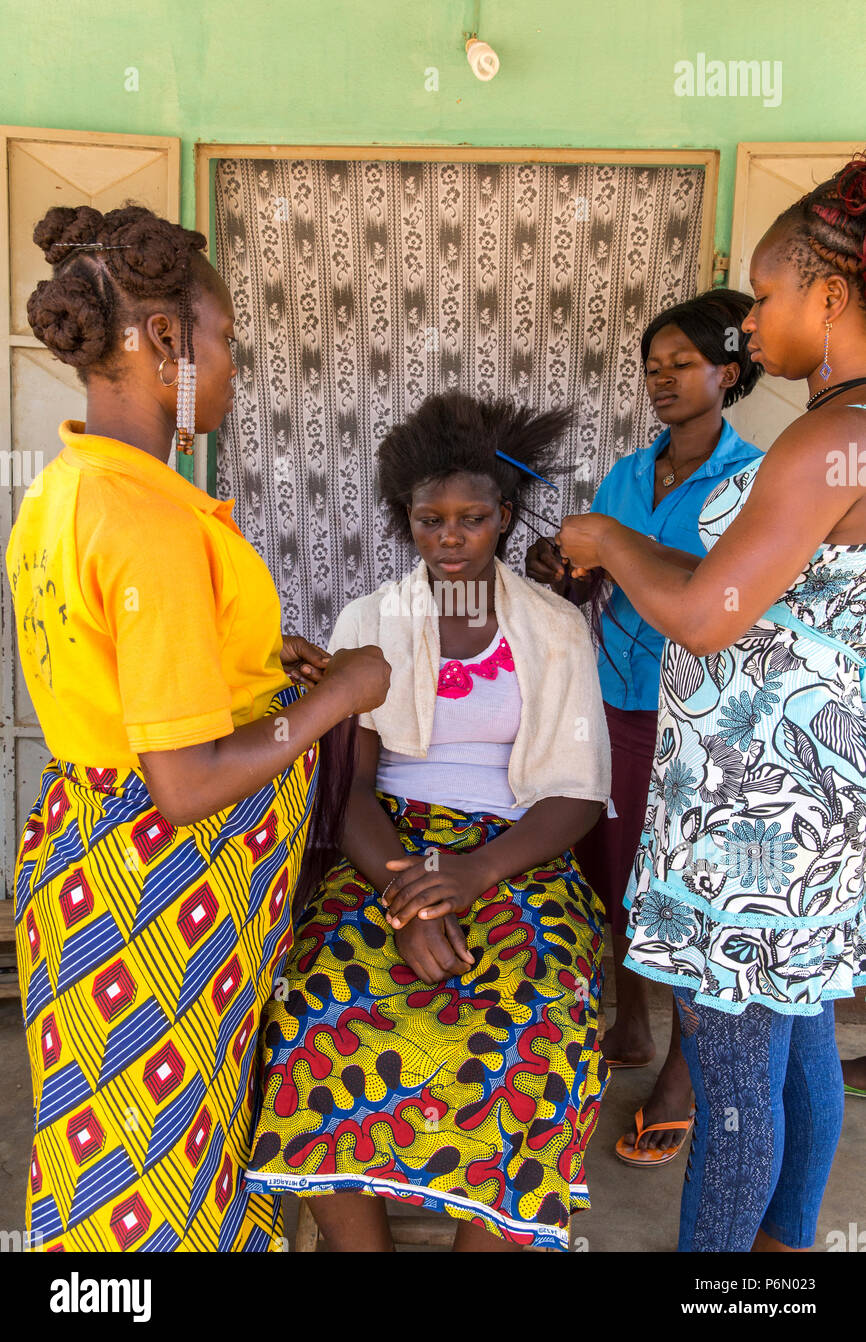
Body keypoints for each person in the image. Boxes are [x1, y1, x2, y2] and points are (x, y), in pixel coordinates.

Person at [6, 203, 389, 1252]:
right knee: (161, 1164)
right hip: (159, 901)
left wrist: (265, 668)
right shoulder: (150, 524)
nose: (232, 371)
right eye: (224, 344)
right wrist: (335, 696)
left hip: (106, 868)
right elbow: (181, 781)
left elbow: (131, 675)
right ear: (167, 341)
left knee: (120, 1140)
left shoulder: (66, 490)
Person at [556, 156, 866, 1251]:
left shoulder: (829, 440)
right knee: (792, 1053)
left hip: (757, 828)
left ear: (828, 296)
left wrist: (601, 540)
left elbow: (703, 611)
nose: (754, 319)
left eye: (768, 294)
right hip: (812, 809)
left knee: (733, 1097)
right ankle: (780, 1259)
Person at [244, 393, 612, 1252]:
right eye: (428, 519)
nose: (449, 537)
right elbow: (347, 786)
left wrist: (474, 874)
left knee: (543, 1016)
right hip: (386, 845)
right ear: (403, 519)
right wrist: (411, 891)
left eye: (472, 519)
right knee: (317, 1008)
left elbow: (577, 791)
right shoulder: (370, 622)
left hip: (515, 848)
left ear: (505, 519)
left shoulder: (555, 629)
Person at [526, 290, 762, 1166]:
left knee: (690, 896)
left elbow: (728, 598)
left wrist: (623, 555)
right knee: (620, 879)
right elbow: (601, 581)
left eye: (682, 366)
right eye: (652, 368)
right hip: (617, 704)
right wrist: (564, 569)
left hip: (709, 723)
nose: (661, 381)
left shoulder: (755, 481)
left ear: (727, 373)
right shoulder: (629, 475)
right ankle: (629, 1024)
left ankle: (681, 1079)